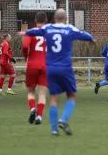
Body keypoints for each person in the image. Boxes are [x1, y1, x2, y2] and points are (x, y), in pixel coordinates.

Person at [23, 8, 94, 136]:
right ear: (66, 19)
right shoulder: (69, 29)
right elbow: (84, 34)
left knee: (54, 98)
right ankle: (63, 119)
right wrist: (91, 39)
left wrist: (24, 32)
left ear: (54, 19)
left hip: (50, 68)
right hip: (65, 67)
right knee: (71, 96)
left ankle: (54, 130)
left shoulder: (48, 28)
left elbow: (34, 31)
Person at [21, 12, 48, 125]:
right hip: (45, 65)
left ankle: (33, 109)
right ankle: (39, 117)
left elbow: (25, 46)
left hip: (32, 64)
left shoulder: (31, 32)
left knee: (31, 92)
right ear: (46, 21)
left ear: (35, 20)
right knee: (42, 94)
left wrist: (26, 56)